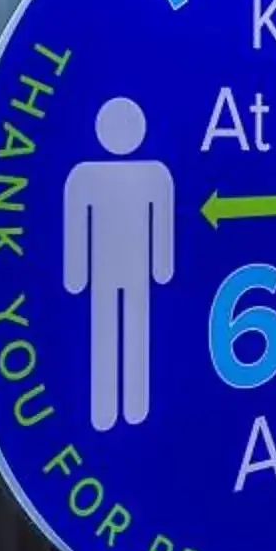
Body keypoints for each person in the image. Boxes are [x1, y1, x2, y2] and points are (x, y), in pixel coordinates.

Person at [63, 96, 176, 430]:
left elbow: (162, 226)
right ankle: (105, 411)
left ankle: (134, 407)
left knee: (134, 334)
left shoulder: (156, 174)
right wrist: (75, 276)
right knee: (107, 333)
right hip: (105, 272)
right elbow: (76, 229)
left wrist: (163, 268)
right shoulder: (83, 176)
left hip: (136, 273)